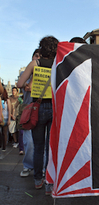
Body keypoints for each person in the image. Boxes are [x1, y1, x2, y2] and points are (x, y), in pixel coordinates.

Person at [17, 36, 59, 195]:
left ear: (41, 49)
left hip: (38, 108)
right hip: (55, 107)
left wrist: (29, 83)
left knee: (38, 146)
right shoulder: (58, 65)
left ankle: (37, 180)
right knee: (51, 147)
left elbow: (20, 84)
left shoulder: (35, 64)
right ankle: (50, 182)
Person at [19, 49, 40, 177]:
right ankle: (27, 165)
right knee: (29, 142)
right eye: (36, 56)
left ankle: (41, 168)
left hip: (40, 108)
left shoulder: (44, 71)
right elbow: (23, 86)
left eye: (39, 57)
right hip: (28, 109)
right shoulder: (24, 72)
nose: (37, 59)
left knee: (40, 142)